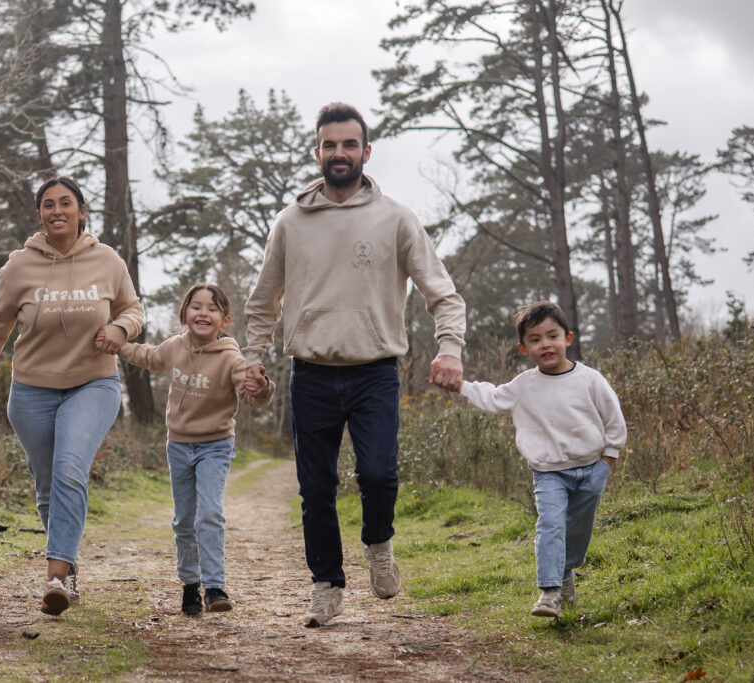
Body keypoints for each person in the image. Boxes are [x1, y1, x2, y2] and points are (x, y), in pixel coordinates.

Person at [242, 102, 466, 627]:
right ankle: (326, 584)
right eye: (329, 144)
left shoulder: (395, 218)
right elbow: (261, 302)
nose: (338, 153)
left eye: (349, 145)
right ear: (316, 151)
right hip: (312, 374)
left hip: (375, 372)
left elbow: (443, 293)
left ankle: (379, 545)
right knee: (316, 487)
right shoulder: (289, 223)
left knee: (379, 474)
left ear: (365, 153)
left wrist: (449, 348)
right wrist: (252, 358)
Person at [0, 176, 144, 615]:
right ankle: (69, 561)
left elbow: (134, 309)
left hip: (93, 384)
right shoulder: (18, 267)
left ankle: (56, 577)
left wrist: (120, 328)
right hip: (32, 391)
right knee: (47, 486)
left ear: (82, 211)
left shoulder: (108, 260)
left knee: (68, 472)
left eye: (67, 203)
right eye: (48, 204)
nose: (57, 210)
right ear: (39, 214)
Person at [102, 283, 274, 617]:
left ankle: (215, 587)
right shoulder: (175, 346)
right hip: (178, 445)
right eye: (196, 307)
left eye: (212, 309)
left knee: (209, 514)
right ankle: (190, 586)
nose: (203, 313)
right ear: (185, 314)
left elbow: (251, 396)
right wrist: (119, 345)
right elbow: (150, 357)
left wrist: (263, 388)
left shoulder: (231, 359)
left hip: (215, 445)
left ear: (225, 320)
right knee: (184, 521)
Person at [452, 301, 626, 618]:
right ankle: (549, 593)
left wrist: (607, 462)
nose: (545, 344)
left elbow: (614, 421)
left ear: (567, 339)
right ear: (523, 348)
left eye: (552, 336)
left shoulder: (589, 379)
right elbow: (491, 397)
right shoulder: (524, 386)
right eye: (535, 339)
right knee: (550, 527)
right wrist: (460, 385)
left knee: (577, 532)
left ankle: (565, 573)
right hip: (548, 474)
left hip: (591, 469)